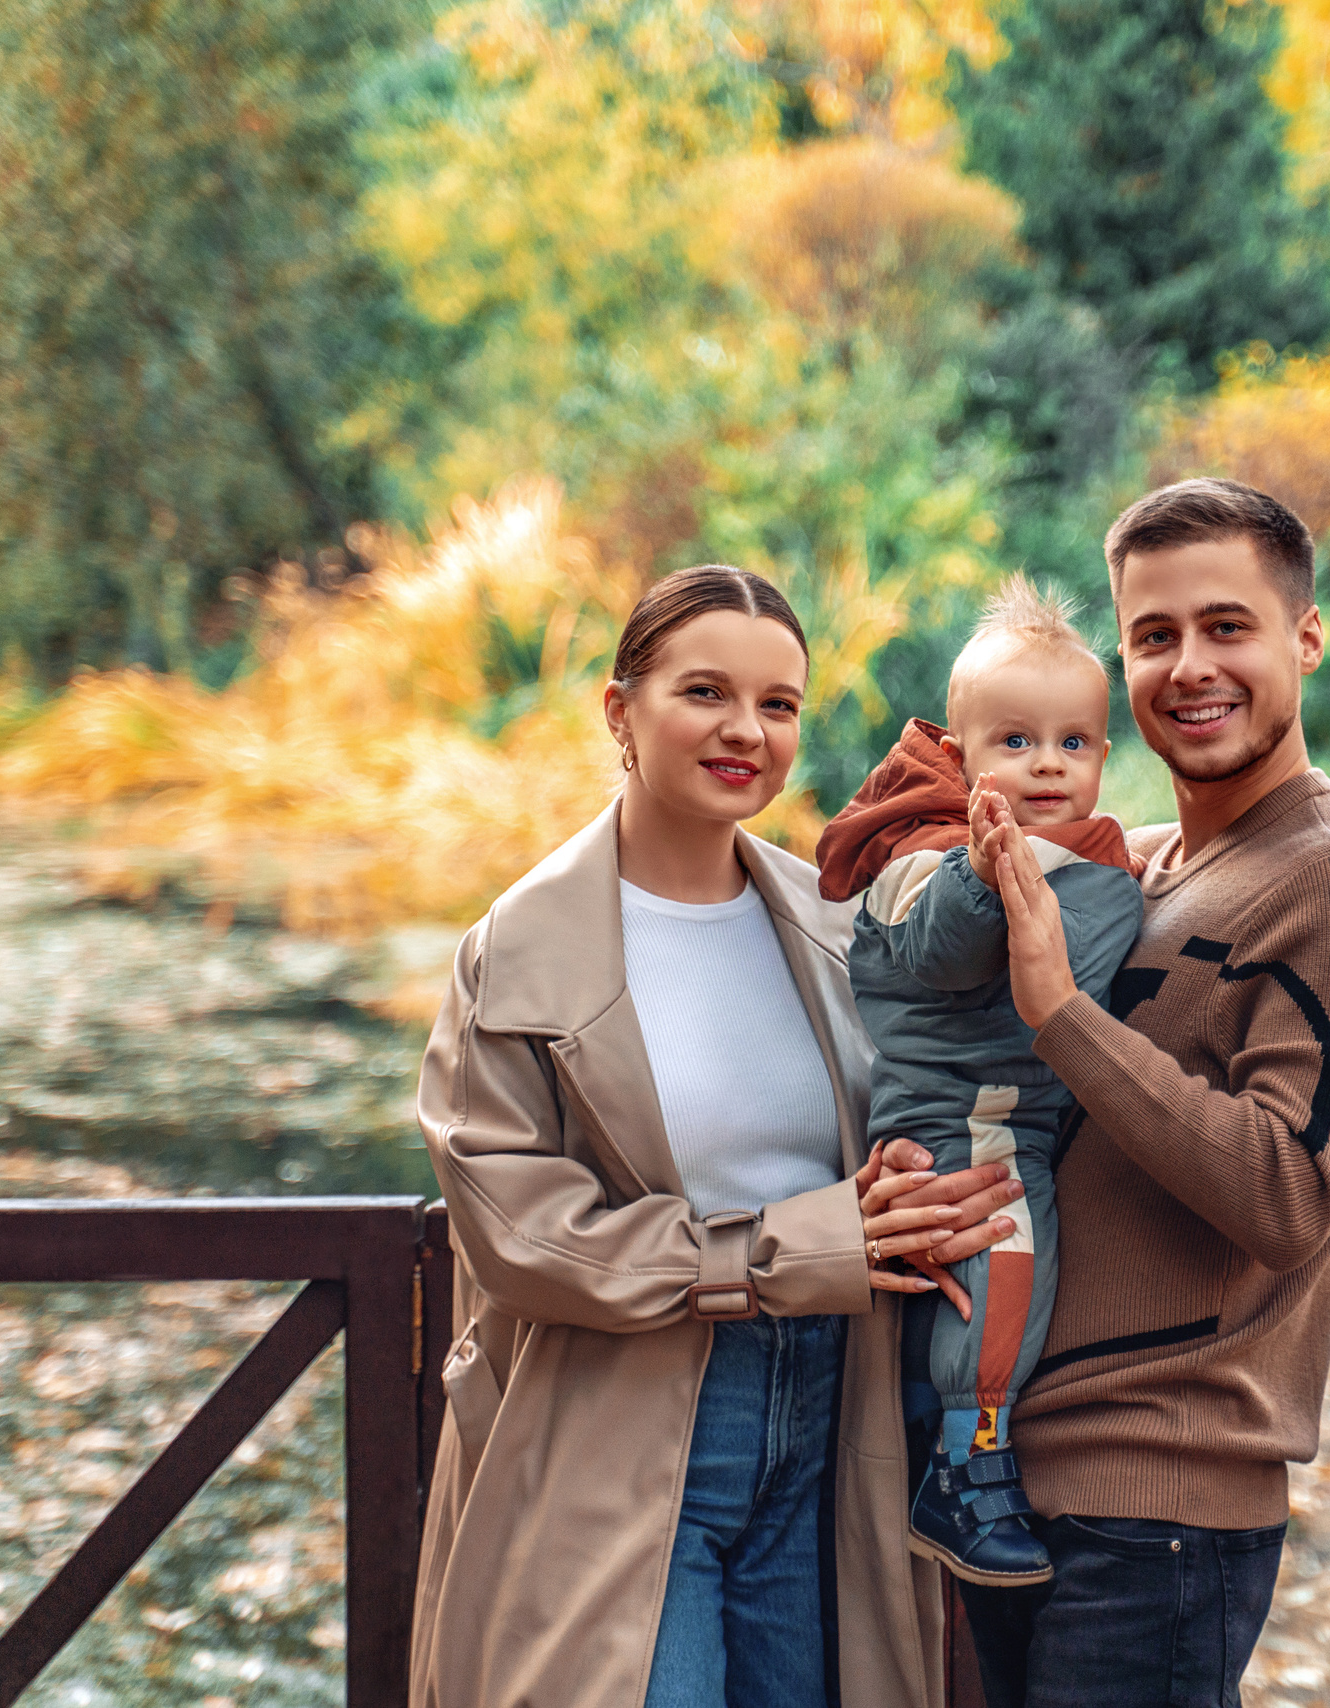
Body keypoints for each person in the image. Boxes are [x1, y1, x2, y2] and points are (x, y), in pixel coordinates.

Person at [410, 564, 1024, 1708]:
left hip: (833, 1428)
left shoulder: (836, 921)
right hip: (617, 1428)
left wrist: (909, 1178)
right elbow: (522, 1238)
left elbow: (918, 1101)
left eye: (777, 704)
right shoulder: (519, 946)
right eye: (705, 692)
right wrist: (802, 1243)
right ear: (619, 710)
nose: (746, 730)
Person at [886, 479, 1330, 1708]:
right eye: (1153, 635)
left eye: (1226, 626)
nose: (1190, 666)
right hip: (1007, 1479)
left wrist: (1062, 1014)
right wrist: (910, 1169)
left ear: (1304, 636)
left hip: (1160, 1509)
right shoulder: (1127, 867)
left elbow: (1290, 1196)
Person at [811, 577, 1145, 1589]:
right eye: (1015, 742)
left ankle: (943, 1442)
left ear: (1104, 756)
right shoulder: (927, 855)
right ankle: (967, 1466)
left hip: (981, 1111)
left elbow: (1076, 974)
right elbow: (939, 957)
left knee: (972, 1280)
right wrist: (981, 870)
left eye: (1073, 743)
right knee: (1007, 1260)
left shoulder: (1094, 863)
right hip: (974, 1117)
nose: (1047, 763)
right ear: (960, 759)